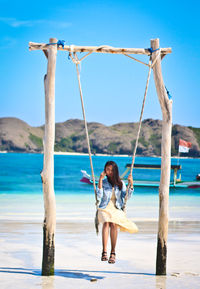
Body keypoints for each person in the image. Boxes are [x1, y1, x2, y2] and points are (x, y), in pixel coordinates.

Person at [97, 160, 138, 264]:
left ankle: (113, 252)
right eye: (107, 169)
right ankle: (104, 251)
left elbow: (127, 197)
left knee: (114, 224)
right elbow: (99, 196)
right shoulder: (103, 182)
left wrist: (131, 184)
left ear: (115, 171)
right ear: (104, 170)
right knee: (106, 222)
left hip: (116, 208)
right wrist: (100, 180)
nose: (109, 172)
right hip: (104, 208)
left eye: (111, 170)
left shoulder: (121, 184)